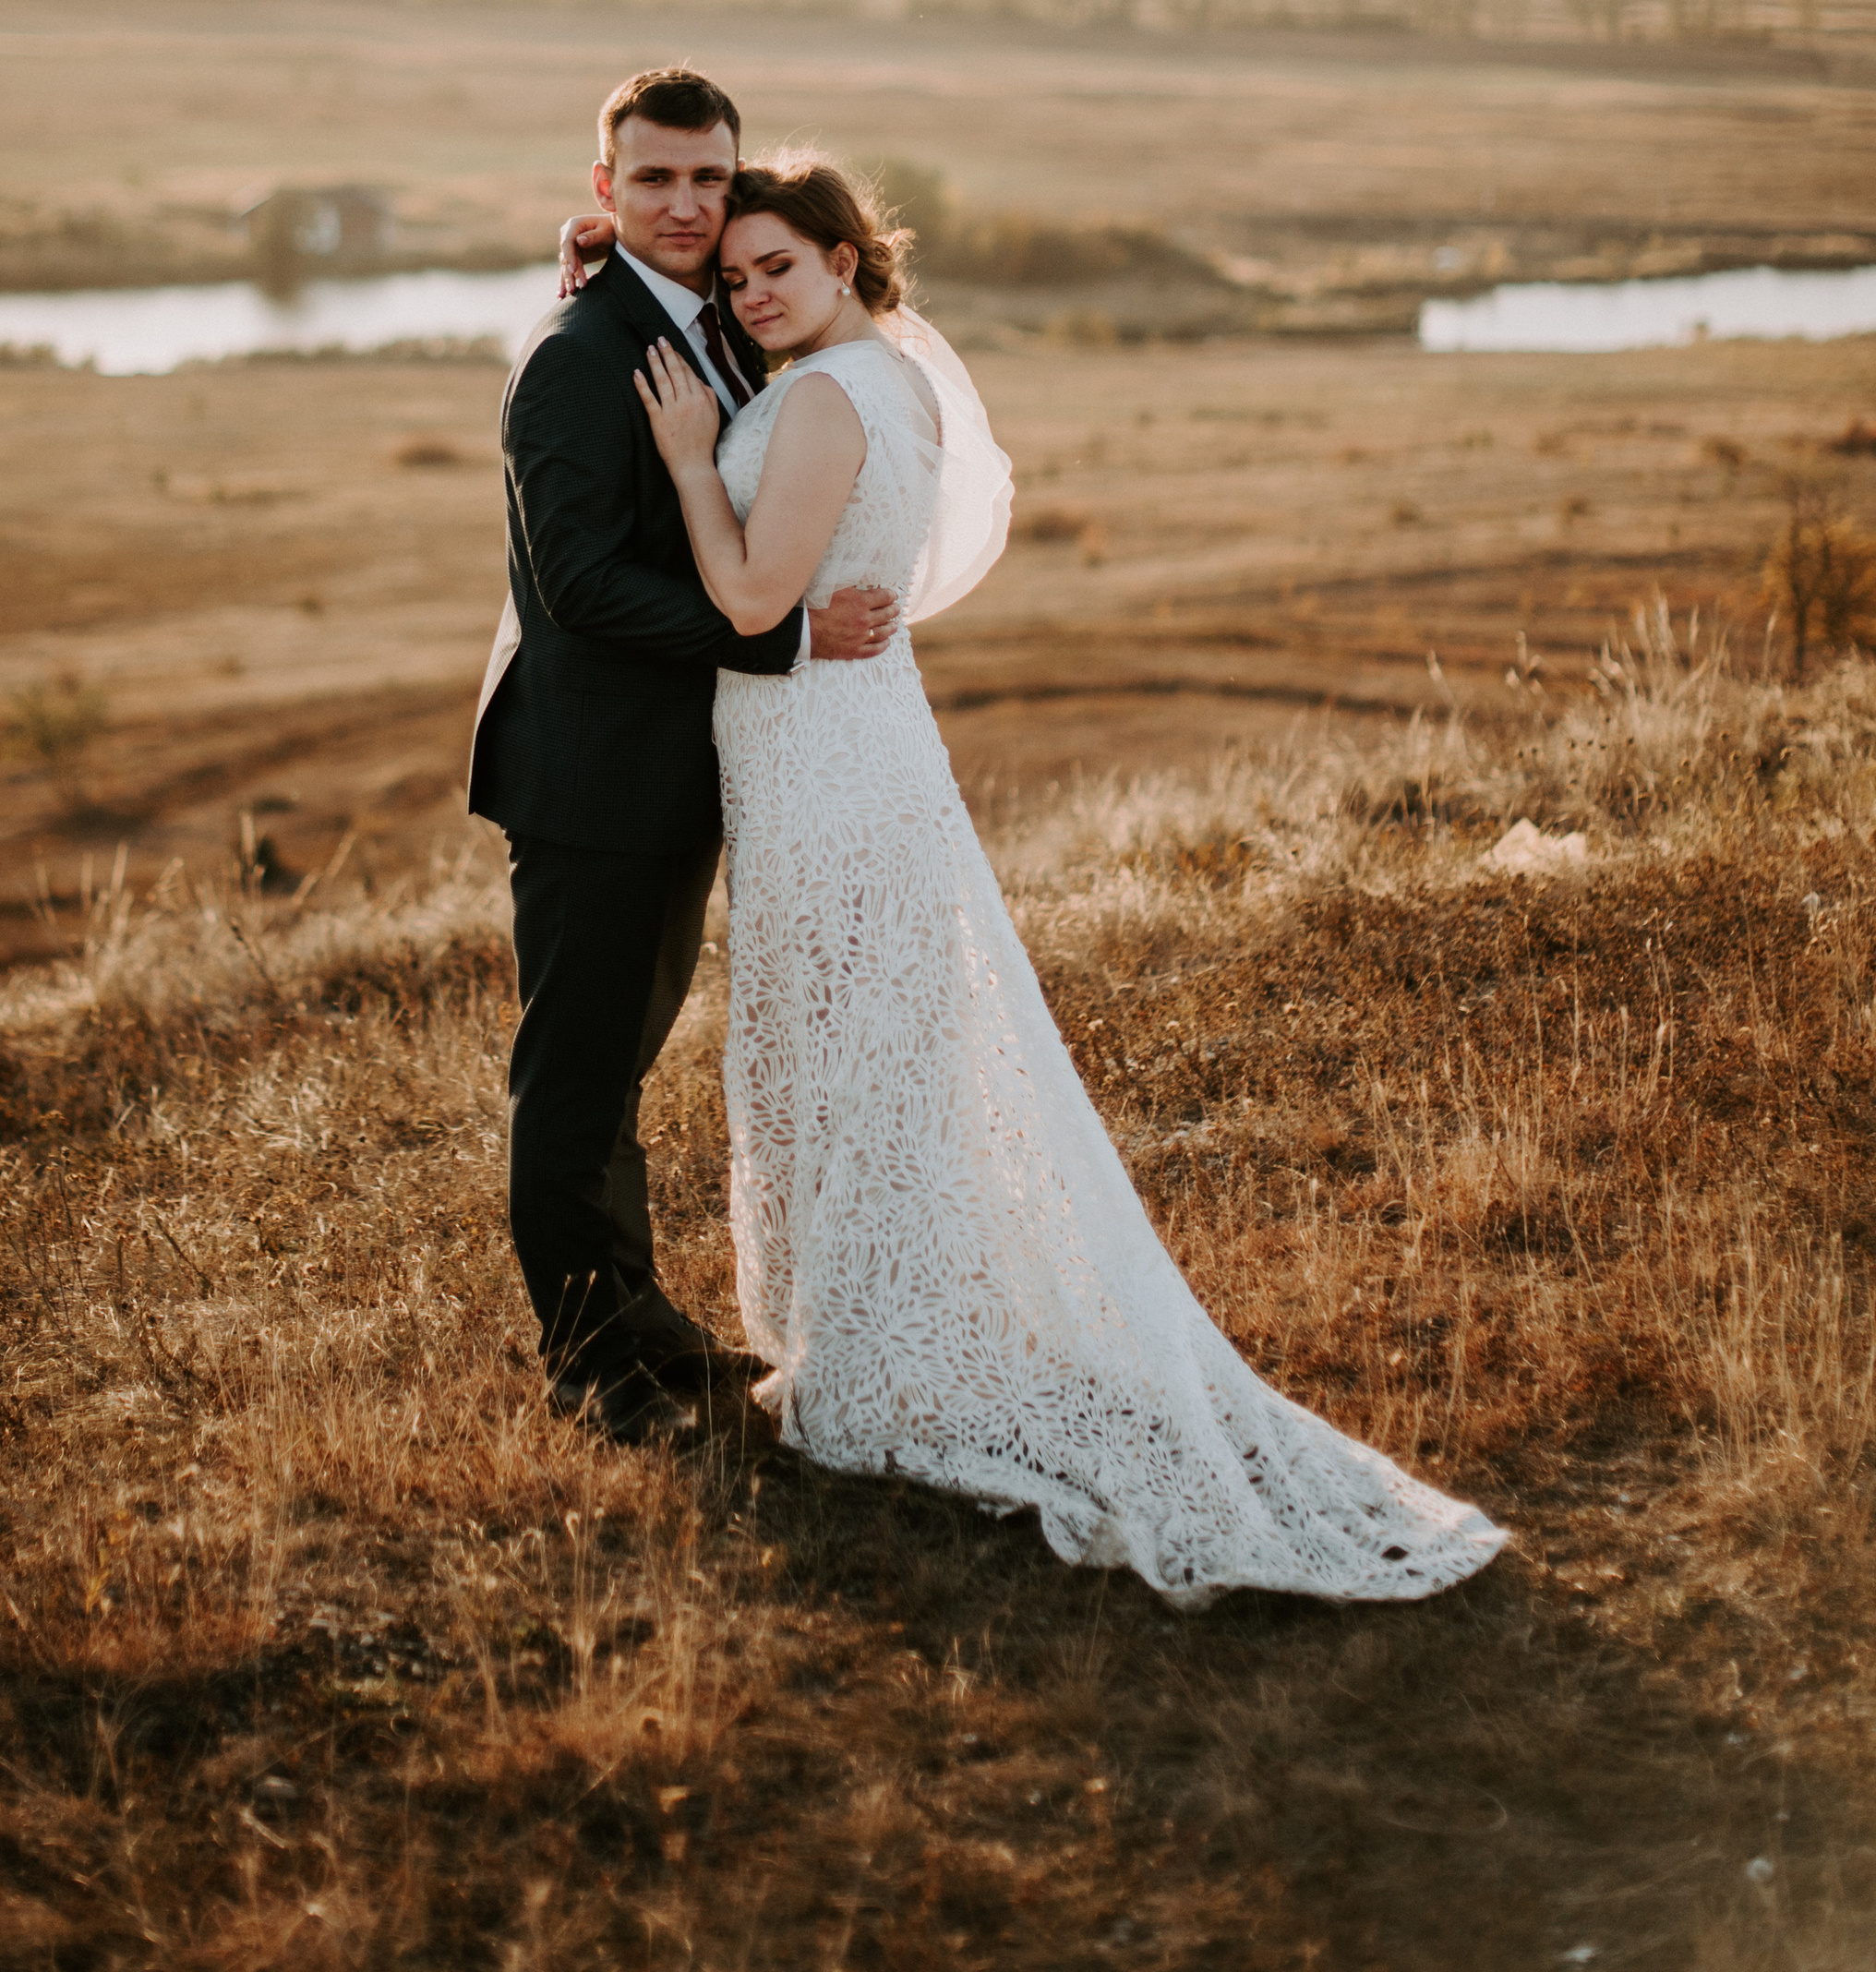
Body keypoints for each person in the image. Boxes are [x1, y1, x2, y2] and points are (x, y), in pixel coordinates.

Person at [619, 149, 1507, 1608]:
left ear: (848, 260)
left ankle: (877, 1370)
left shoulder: (830, 395)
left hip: (828, 763)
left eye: (780, 263)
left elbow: (754, 597)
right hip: (848, 750)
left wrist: (679, 460)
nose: (753, 291)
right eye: (736, 274)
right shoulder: (883, 380)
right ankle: (879, 1337)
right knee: (869, 1054)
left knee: (849, 1053)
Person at [467, 69, 900, 1449]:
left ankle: (638, 1324)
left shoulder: (712, 321)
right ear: (606, 188)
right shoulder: (576, 356)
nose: (686, 204)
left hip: (667, 774)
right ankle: (592, 1366)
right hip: (590, 777)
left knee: (619, 1069)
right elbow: (580, 586)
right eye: (652, 179)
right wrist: (784, 642)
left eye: (707, 179)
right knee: (577, 1077)